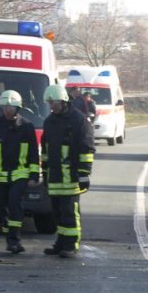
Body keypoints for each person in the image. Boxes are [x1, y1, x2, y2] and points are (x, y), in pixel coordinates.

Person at [0, 90, 39, 254]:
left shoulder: (27, 126)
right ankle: (9, 233)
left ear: (18, 108)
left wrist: (34, 175)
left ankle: (14, 239)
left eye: (11, 107)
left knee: (15, 203)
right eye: (5, 106)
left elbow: (34, 152)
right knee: (2, 206)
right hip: (0, 175)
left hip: (20, 174)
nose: (7, 110)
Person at [40, 84, 95, 258]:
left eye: (54, 102)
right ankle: (61, 242)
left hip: (71, 176)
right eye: (49, 103)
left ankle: (71, 244)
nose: (51, 106)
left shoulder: (78, 120)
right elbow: (46, 149)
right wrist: (45, 171)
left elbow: (86, 148)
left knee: (70, 212)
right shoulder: (49, 121)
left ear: (63, 101)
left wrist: (84, 174)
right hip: (55, 176)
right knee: (57, 213)